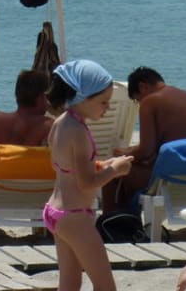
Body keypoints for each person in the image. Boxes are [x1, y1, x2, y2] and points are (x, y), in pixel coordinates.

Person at [44, 59, 133, 291]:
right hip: (75, 216)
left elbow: (68, 167)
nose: (107, 108)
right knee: (105, 286)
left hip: (56, 212)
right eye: (103, 102)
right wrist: (115, 170)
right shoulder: (79, 132)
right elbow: (85, 183)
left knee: (70, 284)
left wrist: (102, 164)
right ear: (83, 98)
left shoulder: (60, 123)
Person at [102, 66, 186, 213]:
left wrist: (122, 154)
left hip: (172, 179)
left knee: (111, 170)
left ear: (142, 86)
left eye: (137, 100)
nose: (140, 104)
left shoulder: (151, 101)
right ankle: (128, 223)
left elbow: (146, 151)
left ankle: (112, 226)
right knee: (131, 170)